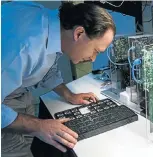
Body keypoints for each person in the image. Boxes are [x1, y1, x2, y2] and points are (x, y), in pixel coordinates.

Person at [1, 1, 115, 157]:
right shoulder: (24, 48)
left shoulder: (52, 24)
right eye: (95, 50)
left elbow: (45, 66)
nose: (93, 59)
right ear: (79, 33)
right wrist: (38, 125)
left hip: (17, 91)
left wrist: (68, 95)